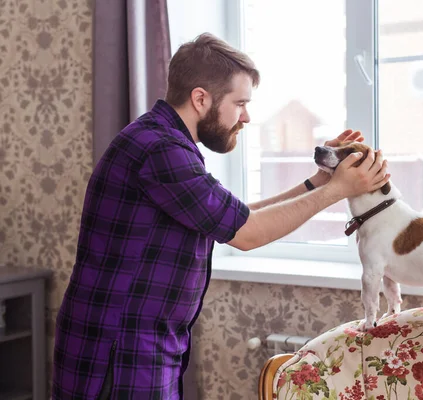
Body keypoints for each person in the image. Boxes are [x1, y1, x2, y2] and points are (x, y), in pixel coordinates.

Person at [52, 32, 389, 399]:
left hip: (141, 340)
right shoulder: (161, 150)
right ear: (201, 98)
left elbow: (234, 217)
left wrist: (318, 183)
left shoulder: (166, 141)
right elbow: (246, 233)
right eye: (240, 103)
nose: (246, 116)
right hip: (119, 346)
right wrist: (337, 190)